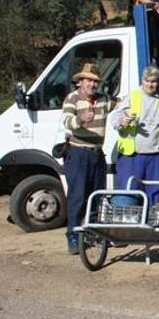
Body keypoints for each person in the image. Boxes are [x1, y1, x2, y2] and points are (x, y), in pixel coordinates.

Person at [61, 63, 114, 254]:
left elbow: (120, 104)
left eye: (95, 81)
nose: (92, 85)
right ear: (80, 82)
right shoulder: (72, 98)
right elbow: (67, 121)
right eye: (88, 81)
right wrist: (81, 119)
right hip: (78, 153)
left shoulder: (103, 99)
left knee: (97, 196)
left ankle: (94, 233)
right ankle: (73, 237)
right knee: (78, 197)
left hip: (96, 153)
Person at [112, 66, 159, 210]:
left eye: (153, 81)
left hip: (154, 155)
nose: (150, 84)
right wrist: (122, 121)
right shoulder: (133, 96)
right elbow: (115, 117)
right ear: (142, 80)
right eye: (147, 81)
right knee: (128, 196)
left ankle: (154, 227)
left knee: (155, 196)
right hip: (132, 156)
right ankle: (128, 229)